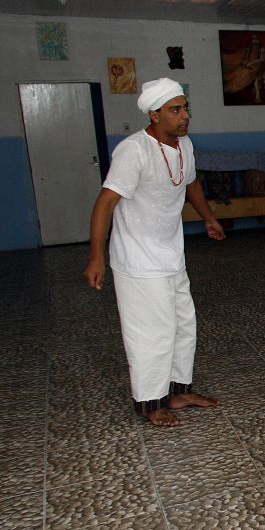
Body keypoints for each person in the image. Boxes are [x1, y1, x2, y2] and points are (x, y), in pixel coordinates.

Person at [84, 78, 225, 427]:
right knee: (151, 331)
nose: (184, 115)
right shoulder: (134, 151)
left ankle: (177, 392)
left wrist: (209, 218)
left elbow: (190, 182)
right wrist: (96, 256)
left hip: (170, 255)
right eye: (175, 110)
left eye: (185, 107)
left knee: (182, 325)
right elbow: (105, 203)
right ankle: (149, 402)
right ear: (154, 114)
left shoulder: (185, 145)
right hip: (137, 259)